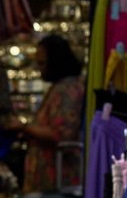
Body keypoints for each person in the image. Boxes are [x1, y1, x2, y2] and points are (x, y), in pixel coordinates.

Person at [25, 33, 87, 189]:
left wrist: (25, 128)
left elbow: (62, 134)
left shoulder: (68, 90)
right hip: (50, 179)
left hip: (59, 180)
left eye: (42, 63)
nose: (39, 69)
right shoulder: (60, 88)